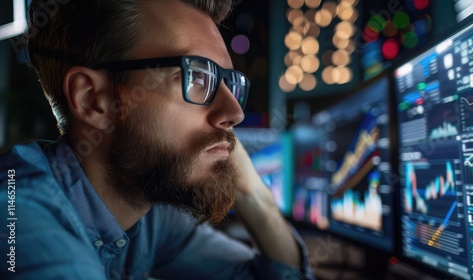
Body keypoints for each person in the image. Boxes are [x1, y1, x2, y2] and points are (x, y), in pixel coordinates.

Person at [0, 0, 315, 279]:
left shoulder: (149, 215)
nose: (234, 112)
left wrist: (250, 193)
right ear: (92, 99)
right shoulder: (19, 219)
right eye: (198, 77)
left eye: (230, 84)